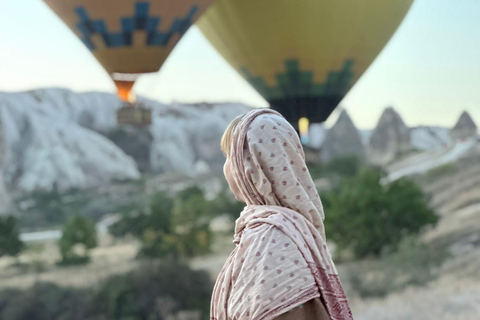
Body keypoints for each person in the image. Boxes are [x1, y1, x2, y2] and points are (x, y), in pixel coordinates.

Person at [211, 109, 353, 320]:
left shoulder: (271, 240)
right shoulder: (281, 231)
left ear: (251, 166)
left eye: (228, 157)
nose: (225, 167)